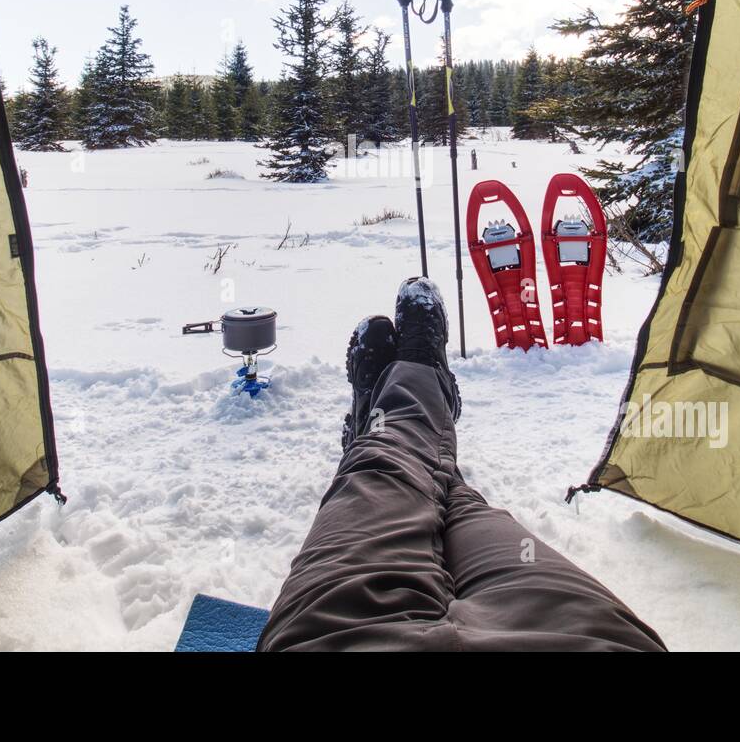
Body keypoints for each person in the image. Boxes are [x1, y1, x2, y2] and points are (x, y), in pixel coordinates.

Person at [258, 277, 666, 651]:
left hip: (342, 633)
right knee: (462, 503)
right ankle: (408, 397)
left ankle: (386, 415)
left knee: (381, 474)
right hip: (574, 635)